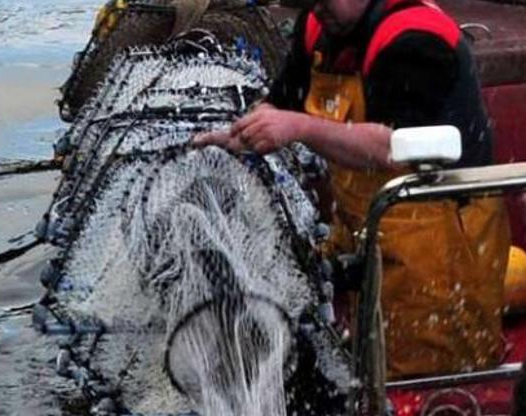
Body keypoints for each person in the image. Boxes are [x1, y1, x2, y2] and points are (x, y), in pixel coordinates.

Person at [193, 0, 509, 379]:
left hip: (442, 239)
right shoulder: (319, 29)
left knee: (431, 372)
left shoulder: (414, 40)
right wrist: (239, 134)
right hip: (373, 230)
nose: (314, 9)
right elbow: (281, 106)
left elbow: (393, 148)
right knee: (374, 363)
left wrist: (300, 128)